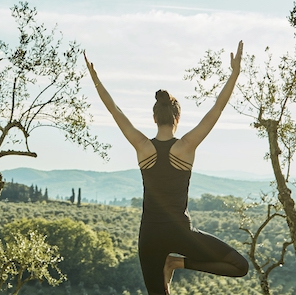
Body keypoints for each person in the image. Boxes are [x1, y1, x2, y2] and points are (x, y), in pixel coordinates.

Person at [84, 42, 248, 294]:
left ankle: (172, 262)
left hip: (149, 235)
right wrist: (235, 73)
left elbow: (114, 110)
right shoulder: (186, 146)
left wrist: (96, 80)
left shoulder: (142, 146)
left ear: (154, 118)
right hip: (180, 232)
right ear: (177, 118)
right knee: (239, 266)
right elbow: (218, 108)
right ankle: (177, 263)